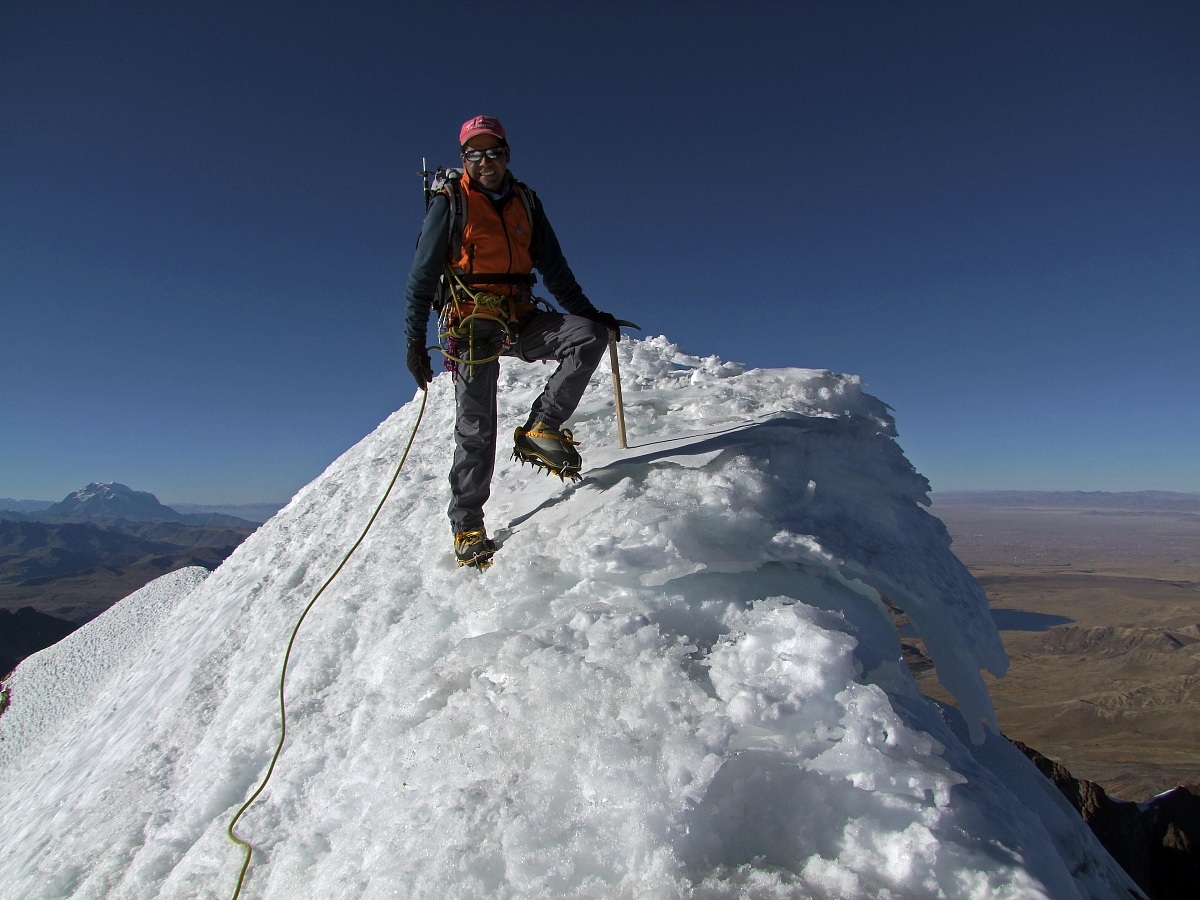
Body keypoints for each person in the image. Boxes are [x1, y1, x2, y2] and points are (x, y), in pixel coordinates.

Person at [405, 115, 622, 569]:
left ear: (507, 153)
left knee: (588, 337)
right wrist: (414, 339)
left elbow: (554, 269)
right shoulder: (451, 202)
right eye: (474, 153)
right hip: (469, 325)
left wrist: (588, 313)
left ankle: (541, 427)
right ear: (464, 159)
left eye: (493, 151)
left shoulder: (526, 202)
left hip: (519, 317)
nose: (485, 161)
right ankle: (467, 524)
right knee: (476, 427)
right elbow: (423, 275)